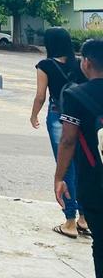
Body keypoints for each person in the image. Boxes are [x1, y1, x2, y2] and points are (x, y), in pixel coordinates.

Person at [32, 26, 90, 239]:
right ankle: (84, 218)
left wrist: (33, 115)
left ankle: (70, 221)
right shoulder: (79, 63)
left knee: (65, 168)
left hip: (58, 116)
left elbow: (40, 96)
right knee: (81, 166)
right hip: (80, 118)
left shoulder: (45, 65)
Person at [56, 38, 103, 275]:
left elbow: (68, 140)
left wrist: (60, 177)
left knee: (101, 243)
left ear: (85, 62)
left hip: (95, 180)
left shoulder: (76, 95)